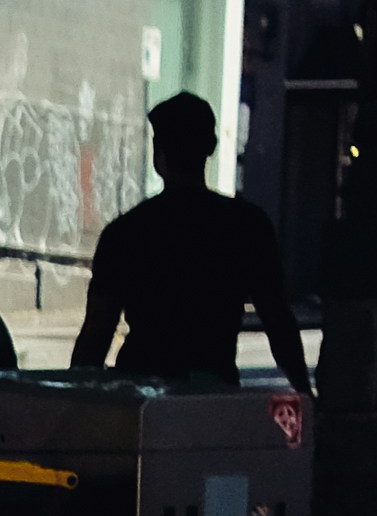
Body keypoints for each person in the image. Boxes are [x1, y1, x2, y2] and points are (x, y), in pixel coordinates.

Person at [74, 93, 301, 386]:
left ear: (160, 152)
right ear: (211, 148)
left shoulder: (126, 232)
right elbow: (278, 320)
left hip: (140, 393)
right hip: (213, 394)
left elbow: (96, 335)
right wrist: (304, 392)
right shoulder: (248, 226)